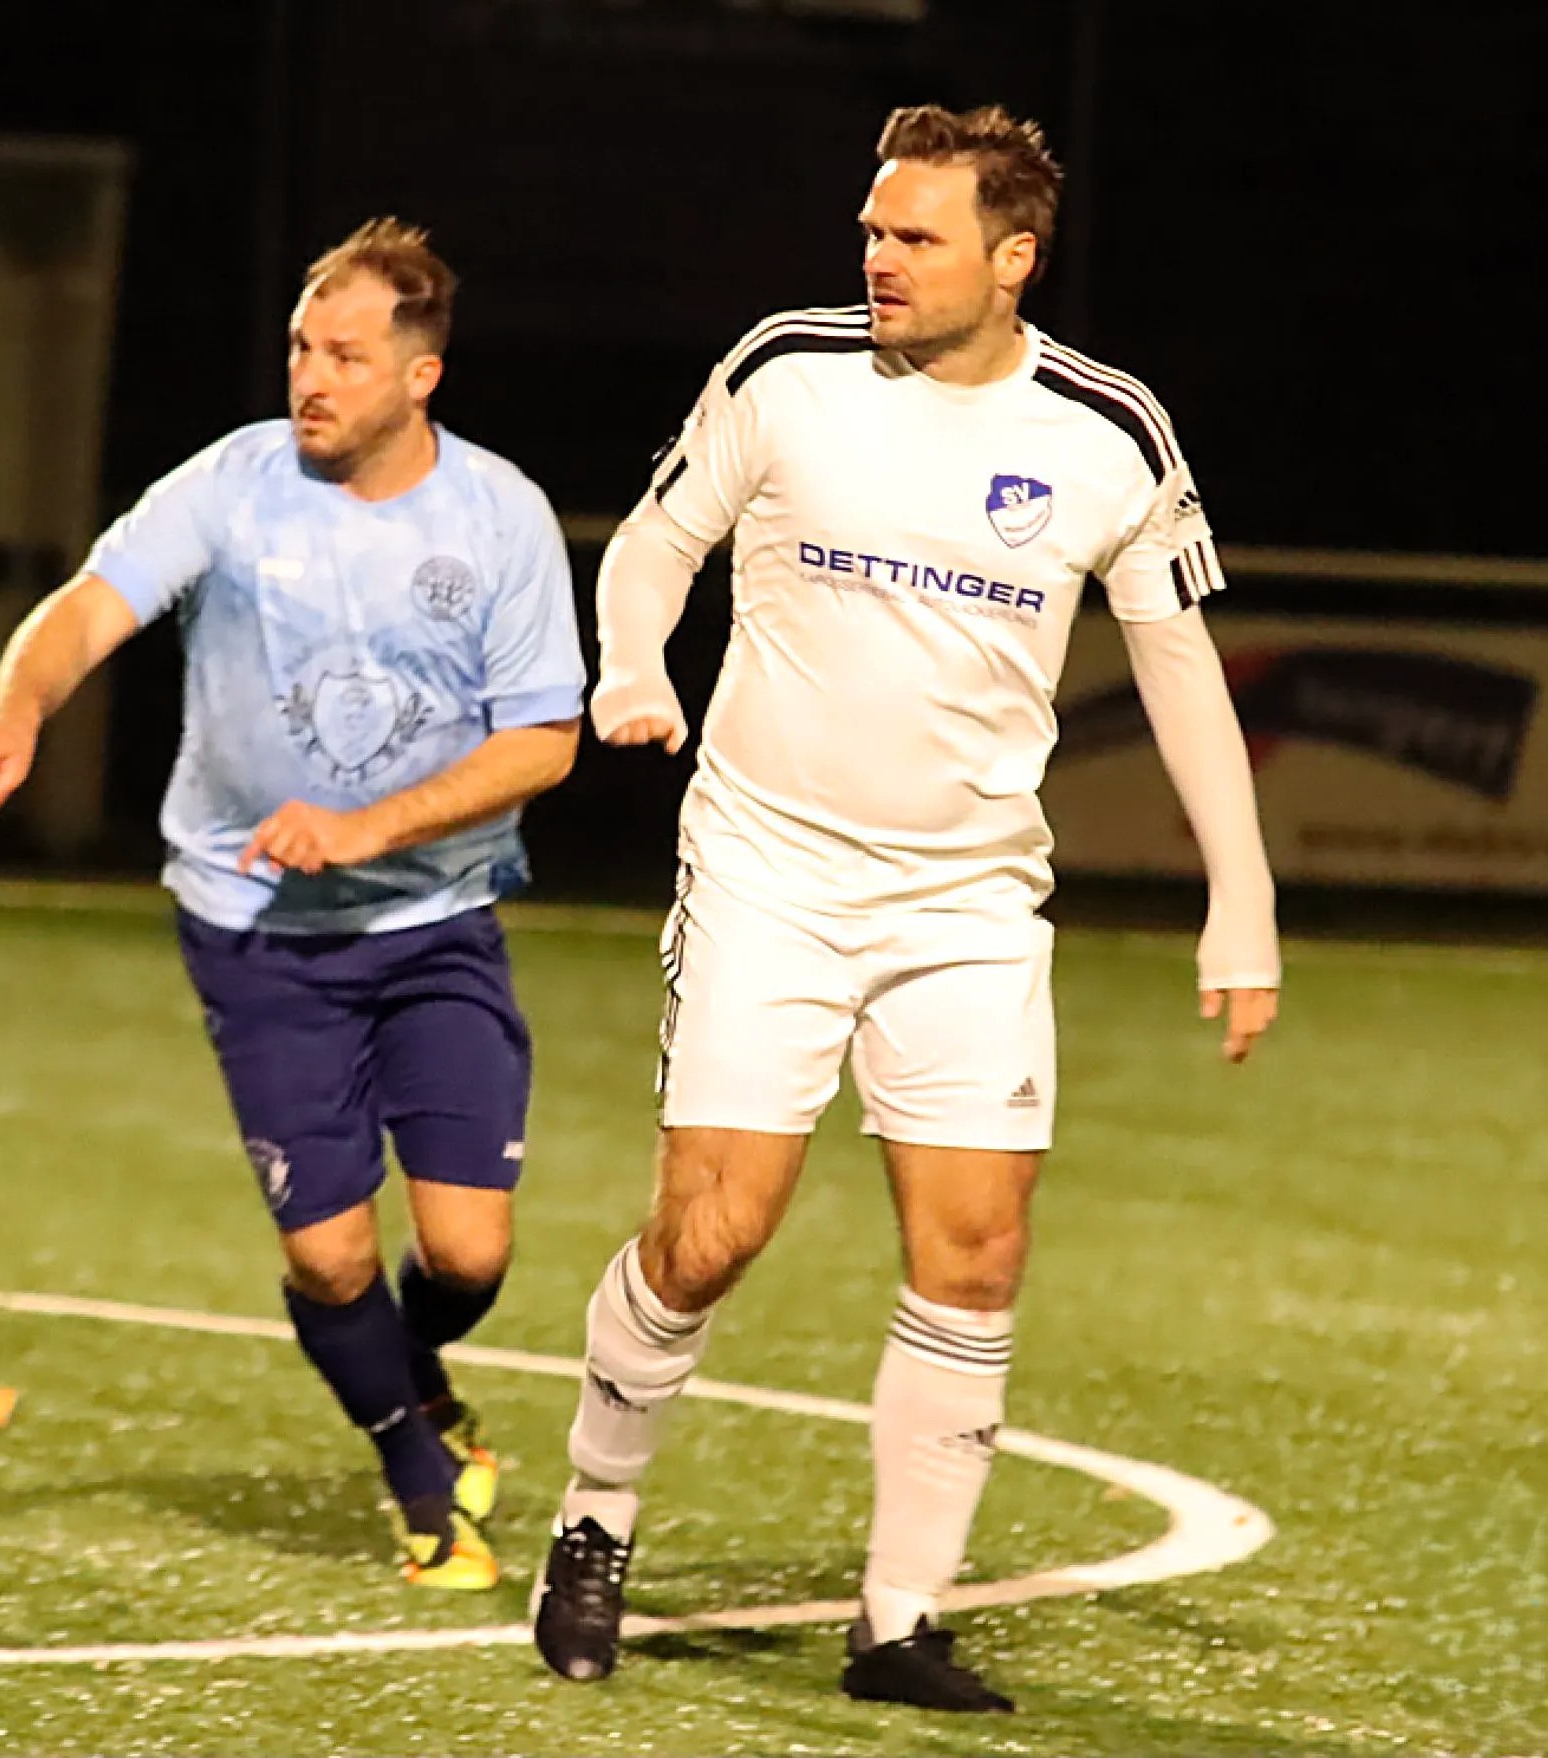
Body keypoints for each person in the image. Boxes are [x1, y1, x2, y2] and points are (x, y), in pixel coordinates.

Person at [530, 104, 1281, 1711]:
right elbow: (655, 547)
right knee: (713, 1233)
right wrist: (632, 663)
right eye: (873, 229)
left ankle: (898, 1619)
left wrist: (1244, 893)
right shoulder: (786, 370)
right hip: (770, 870)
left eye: (916, 235)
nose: (877, 257)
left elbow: (1177, 668)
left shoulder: (1109, 430)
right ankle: (595, 1512)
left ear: (1014, 260)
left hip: (970, 899)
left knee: (978, 1250)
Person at [0, 218, 585, 1591]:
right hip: (256, 929)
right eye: (300, 347)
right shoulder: (234, 484)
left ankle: (411, 1369)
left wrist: (370, 828)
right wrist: (18, 709)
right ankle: (418, 1477)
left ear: (421, 376)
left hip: (434, 922)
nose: (311, 378)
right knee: (332, 1257)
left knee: (466, 1251)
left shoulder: (500, 516)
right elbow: (88, 606)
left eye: (346, 355)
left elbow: (544, 741)